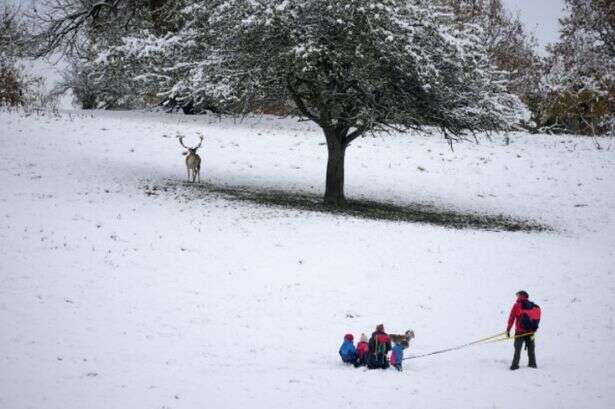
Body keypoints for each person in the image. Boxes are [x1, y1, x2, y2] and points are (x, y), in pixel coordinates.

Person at [506, 290, 541, 370]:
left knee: (517, 349)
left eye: (517, 295)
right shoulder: (534, 306)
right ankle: (532, 364)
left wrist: (508, 330)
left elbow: (511, 318)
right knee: (531, 349)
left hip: (520, 331)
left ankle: (515, 365)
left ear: (520, 296)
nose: (517, 297)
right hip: (531, 332)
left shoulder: (516, 305)